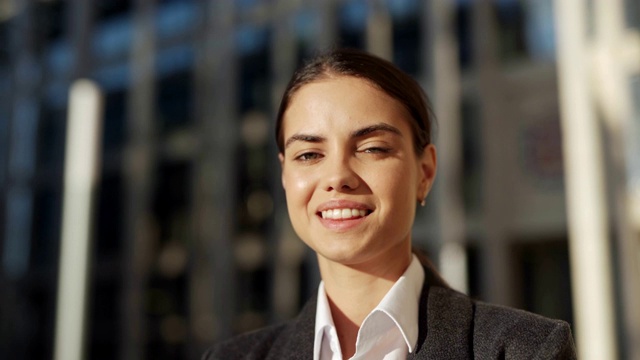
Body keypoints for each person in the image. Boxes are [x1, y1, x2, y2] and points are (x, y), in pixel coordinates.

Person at [203, 48, 576, 359]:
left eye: (372, 148)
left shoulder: (524, 350)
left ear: (425, 171)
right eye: (308, 155)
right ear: (285, 174)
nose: (337, 177)